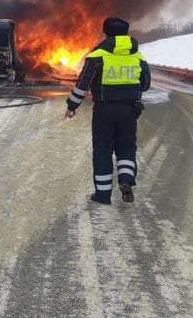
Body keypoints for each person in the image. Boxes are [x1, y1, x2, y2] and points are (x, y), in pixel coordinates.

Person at [64, 17, 151, 205]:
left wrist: (72, 105)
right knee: (126, 147)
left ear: (106, 32)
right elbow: (145, 84)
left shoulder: (98, 56)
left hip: (104, 110)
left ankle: (103, 195)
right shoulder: (138, 56)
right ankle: (126, 180)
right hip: (129, 111)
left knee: (103, 150)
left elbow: (83, 85)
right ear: (126, 33)